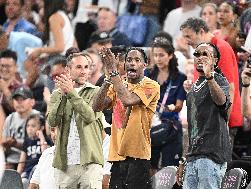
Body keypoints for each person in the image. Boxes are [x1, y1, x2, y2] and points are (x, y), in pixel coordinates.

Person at [93, 47, 160, 189]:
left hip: (138, 156)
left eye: (137, 60)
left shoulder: (151, 86)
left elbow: (128, 99)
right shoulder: (118, 83)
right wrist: (107, 79)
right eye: (129, 60)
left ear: (145, 65)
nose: (132, 63)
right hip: (116, 156)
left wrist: (114, 72)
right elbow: (97, 106)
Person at [176, 42, 231, 189]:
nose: (200, 58)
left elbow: (221, 102)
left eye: (205, 54)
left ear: (215, 60)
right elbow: (192, 127)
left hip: (211, 154)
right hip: (193, 155)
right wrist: (183, 159)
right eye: (197, 54)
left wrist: (209, 77)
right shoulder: (193, 88)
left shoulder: (219, 80)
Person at [47, 49, 104, 188]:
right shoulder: (56, 94)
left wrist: (71, 92)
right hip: (65, 163)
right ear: (68, 69)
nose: (84, 71)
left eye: (86, 67)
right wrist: (63, 94)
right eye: (79, 67)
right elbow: (52, 122)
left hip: (90, 162)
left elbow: (90, 116)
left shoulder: (97, 92)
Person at [180, 17, 242, 144]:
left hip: (220, 120)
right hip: (206, 120)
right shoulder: (201, 51)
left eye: (188, 36)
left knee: (217, 163)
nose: (186, 41)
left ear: (201, 32)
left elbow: (229, 87)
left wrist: (225, 121)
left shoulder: (220, 48)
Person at [144, 37, 186, 171]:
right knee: (149, 167)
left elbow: (179, 106)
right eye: (155, 55)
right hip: (150, 126)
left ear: (170, 55)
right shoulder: (147, 74)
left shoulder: (180, 78)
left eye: (161, 55)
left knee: (170, 169)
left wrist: (169, 107)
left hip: (170, 127)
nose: (158, 59)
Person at [2, 87, 39, 169]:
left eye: (23, 99)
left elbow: (39, 144)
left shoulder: (38, 117)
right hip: (11, 160)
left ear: (32, 102)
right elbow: (3, 141)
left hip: (31, 160)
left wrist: (16, 144)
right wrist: (6, 143)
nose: (19, 102)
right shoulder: (10, 118)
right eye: (16, 99)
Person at [17, 114, 52, 189]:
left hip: (40, 171)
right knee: (22, 181)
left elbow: (45, 154)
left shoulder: (46, 140)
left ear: (41, 128)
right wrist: (17, 175)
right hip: (27, 172)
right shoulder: (27, 142)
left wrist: (41, 137)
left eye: (33, 126)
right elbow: (21, 162)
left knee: (35, 168)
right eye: (28, 126)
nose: (29, 129)